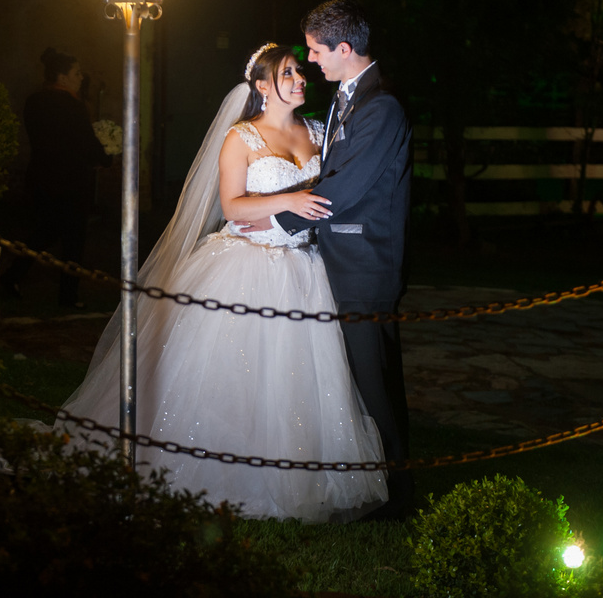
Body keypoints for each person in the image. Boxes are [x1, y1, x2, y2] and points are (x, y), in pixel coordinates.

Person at [57, 44, 388, 524]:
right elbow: (233, 207)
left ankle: (297, 472)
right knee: (235, 374)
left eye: (299, 72)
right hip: (245, 268)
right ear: (260, 87)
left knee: (300, 378)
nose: (300, 80)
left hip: (305, 268)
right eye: (288, 73)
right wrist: (290, 201)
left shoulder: (318, 130)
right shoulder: (242, 137)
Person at [249, 0, 414, 519]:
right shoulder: (349, 97)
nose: (313, 62)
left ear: (345, 49)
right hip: (340, 259)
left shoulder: (381, 106)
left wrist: (278, 223)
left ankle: (397, 496)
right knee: (357, 380)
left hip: (366, 263)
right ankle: (376, 483)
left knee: (374, 380)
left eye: (318, 51)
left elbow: (345, 188)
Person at [0, 47, 110, 308]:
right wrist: (106, 157)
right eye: (76, 73)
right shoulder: (72, 106)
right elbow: (85, 142)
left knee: (45, 230)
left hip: (41, 176)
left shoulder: (34, 102)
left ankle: (13, 276)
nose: (81, 78)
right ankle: (68, 298)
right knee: (73, 239)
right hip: (70, 181)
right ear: (62, 77)